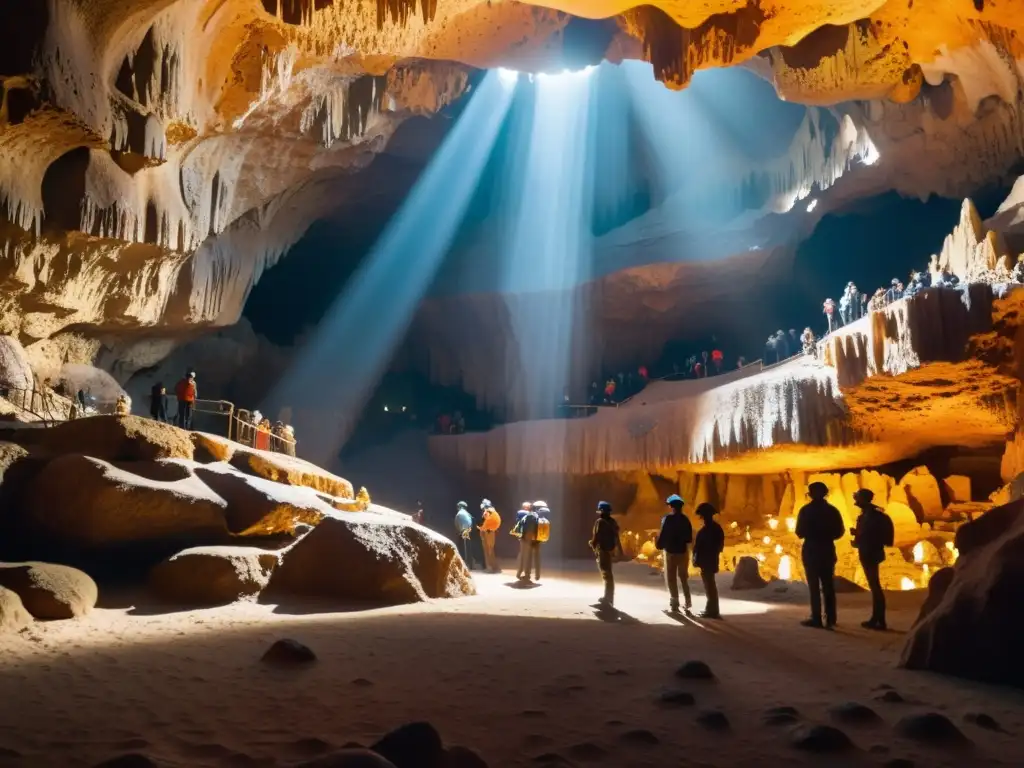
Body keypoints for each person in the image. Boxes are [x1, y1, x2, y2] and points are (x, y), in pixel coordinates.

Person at [795, 481, 846, 628]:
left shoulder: (806, 511)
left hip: (811, 550)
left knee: (814, 586)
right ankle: (831, 618)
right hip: (827, 549)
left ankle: (816, 617)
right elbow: (839, 532)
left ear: (810, 494)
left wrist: (812, 533)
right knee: (828, 585)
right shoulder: (833, 511)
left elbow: (799, 532)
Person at [851, 489, 895, 630]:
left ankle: (878, 619)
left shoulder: (871, 516)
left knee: (875, 587)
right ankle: (878, 619)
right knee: (874, 586)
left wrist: (859, 536)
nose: (855, 501)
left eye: (857, 498)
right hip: (870, 551)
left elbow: (870, 534)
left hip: (870, 552)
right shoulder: (871, 515)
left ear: (863, 499)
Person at [656, 494, 693, 612]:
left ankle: (674, 602)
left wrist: (659, 545)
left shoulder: (667, 519)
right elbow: (689, 539)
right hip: (683, 552)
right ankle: (688, 601)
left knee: (671, 578)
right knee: (683, 577)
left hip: (670, 552)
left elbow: (663, 535)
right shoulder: (686, 520)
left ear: (671, 506)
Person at [692, 502, 724, 619]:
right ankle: (711, 609)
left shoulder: (707, 530)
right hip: (710, 560)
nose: (702, 519)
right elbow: (720, 546)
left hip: (707, 561)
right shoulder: (716, 529)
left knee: (709, 585)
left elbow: (699, 547)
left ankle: (712, 610)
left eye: (703, 516)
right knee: (710, 585)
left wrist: (698, 557)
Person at [590, 501, 623, 607]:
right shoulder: (613, 522)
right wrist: (619, 550)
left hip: (603, 550)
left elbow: (597, 535)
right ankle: (609, 597)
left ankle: (607, 598)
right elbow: (617, 537)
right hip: (610, 550)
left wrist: (593, 544)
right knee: (608, 573)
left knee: (606, 574)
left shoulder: (600, 522)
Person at [479, 498, 501, 573]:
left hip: (488, 532)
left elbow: (486, 523)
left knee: (489, 550)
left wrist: (482, 529)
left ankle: (491, 567)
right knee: (490, 549)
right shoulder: (492, 511)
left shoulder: (489, 511)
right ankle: (493, 567)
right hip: (489, 531)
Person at [512, 501, 533, 579]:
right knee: (528, 555)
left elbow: (517, 522)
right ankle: (527, 573)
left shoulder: (520, 513)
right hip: (530, 536)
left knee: (522, 554)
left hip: (522, 536)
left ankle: (519, 572)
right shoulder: (533, 514)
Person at [454, 501, 474, 566]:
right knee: (468, 546)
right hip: (468, 531)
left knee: (463, 547)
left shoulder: (459, 513)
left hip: (463, 531)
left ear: (460, 507)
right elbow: (471, 522)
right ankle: (470, 564)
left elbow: (456, 523)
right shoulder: (468, 513)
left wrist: (459, 531)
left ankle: (465, 564)